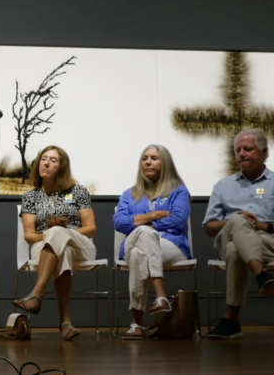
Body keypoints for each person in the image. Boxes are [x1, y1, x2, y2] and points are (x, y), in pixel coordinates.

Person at [11, 145, 97, 341]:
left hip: (80, 244)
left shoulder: (78, 191)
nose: (46, 163)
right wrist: (53, 236)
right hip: (43, 247)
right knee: (62, 251)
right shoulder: (30, 197)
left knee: (59, 234)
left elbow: (91, 228)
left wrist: (62, 232)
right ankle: (65, 322)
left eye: (53, 160)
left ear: (62, 166)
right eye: (43, 159)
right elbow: (30, 236)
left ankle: (37, 294)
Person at [112, 145, 191, 340]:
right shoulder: (129, 194)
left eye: (154, 158)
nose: (148, 162)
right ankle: (160, 295)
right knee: (144, 234)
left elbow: (178, 218)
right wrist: (152, 215)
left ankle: (136, 323)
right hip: (132, 244)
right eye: (144, 158)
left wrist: (142, 222)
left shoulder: (178, 191)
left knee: (142, 250)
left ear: (165, 163)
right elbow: (118, 222)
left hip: (171, 244)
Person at [203, 128, 274, 340]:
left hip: (267, 241)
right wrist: (235, 222)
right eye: (238, 150)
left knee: (236, 249)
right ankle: (262, 275)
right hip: (227, 240)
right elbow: (208, 227)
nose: (241, 154)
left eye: (248, 149)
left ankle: (232, 319)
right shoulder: (223, 186)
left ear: (264, 153)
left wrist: (263, 226)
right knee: (238, 221)